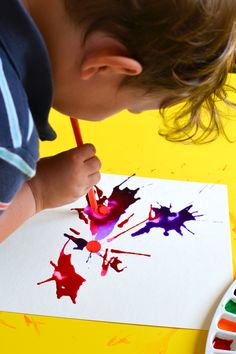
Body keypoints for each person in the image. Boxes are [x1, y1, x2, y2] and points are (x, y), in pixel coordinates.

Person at [0, 0, 236, 241]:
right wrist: (37, 192)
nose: (127, 111)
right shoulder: (10, 140)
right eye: (131, 107)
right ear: (104, 66)